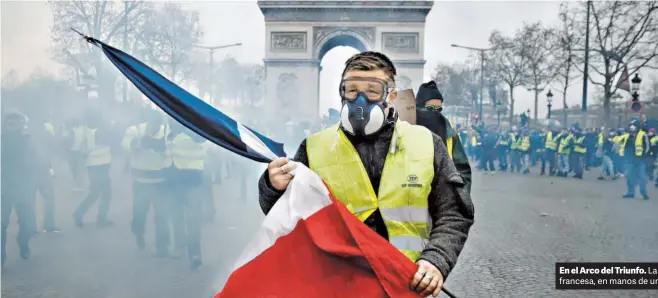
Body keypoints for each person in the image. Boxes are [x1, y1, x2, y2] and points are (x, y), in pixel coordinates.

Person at [257, 51, 474, 297]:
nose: (360, 99)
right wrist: (272, 186)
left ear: (391, 96)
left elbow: (454, 213)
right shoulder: (313, 148)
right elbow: (285, 216)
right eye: (351, 89)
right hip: (336, 285)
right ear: (341, 92)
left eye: (372, 90)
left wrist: (436, 260)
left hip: (405, 283)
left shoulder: (427, 144)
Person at [121, 111, 172, 255]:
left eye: (157, 125)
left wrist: (161, 147)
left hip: (160, 181)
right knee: (139, 214)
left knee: (161, 215)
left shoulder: (166, 132)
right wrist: (134, 144)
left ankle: (162, 247)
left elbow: (171, 150)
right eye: (151, 124)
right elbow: (124, 144)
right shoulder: (136, 130)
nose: (154, 128)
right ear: (147, 122)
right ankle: (138, 234)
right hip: (140, 180)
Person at [166, 120, 209, 269]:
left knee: (192, 220)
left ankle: (194, 254)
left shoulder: (196, 134)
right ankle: (179, 246)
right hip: (174, 181)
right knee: (177, 217)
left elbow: (203, 142)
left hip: (192, 182)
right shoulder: (170, 134)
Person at [2, 109, 42, 266]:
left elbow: (39, 161)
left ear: (21, 125)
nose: (12, 125)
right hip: (3, 189)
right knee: (1, 224)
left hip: (24, 188)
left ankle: (23, 242)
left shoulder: (29, 141)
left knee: (29, 225)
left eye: (15, 123)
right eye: (9, 123)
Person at [415, 80, 472, 188]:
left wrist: (461, 195)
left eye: (439, 109)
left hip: (443, 195)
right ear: (418, 107)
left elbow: (462, 169)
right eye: (430, 108)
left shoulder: (449, 131)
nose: (435, 113)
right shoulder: (406, 129)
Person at [73, 109, 114, 227]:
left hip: (94, 165)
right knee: (104, 193)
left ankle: (80, 214)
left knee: (96, 193)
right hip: (100, 165)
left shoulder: (86, 130)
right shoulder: (98, 131)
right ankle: (100, 219)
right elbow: (109, 142)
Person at [618, 121, 650, 200]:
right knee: (629, 176)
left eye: (633, 126)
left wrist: (644, 156)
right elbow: (621, 144)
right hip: (629, 159)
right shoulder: (627, 136)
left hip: (640, 159)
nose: (632, 128)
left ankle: (644, 193)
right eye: (631, 126)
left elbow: (647, 147)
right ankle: (630, 192)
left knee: (642, 177)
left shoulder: (643, 134)